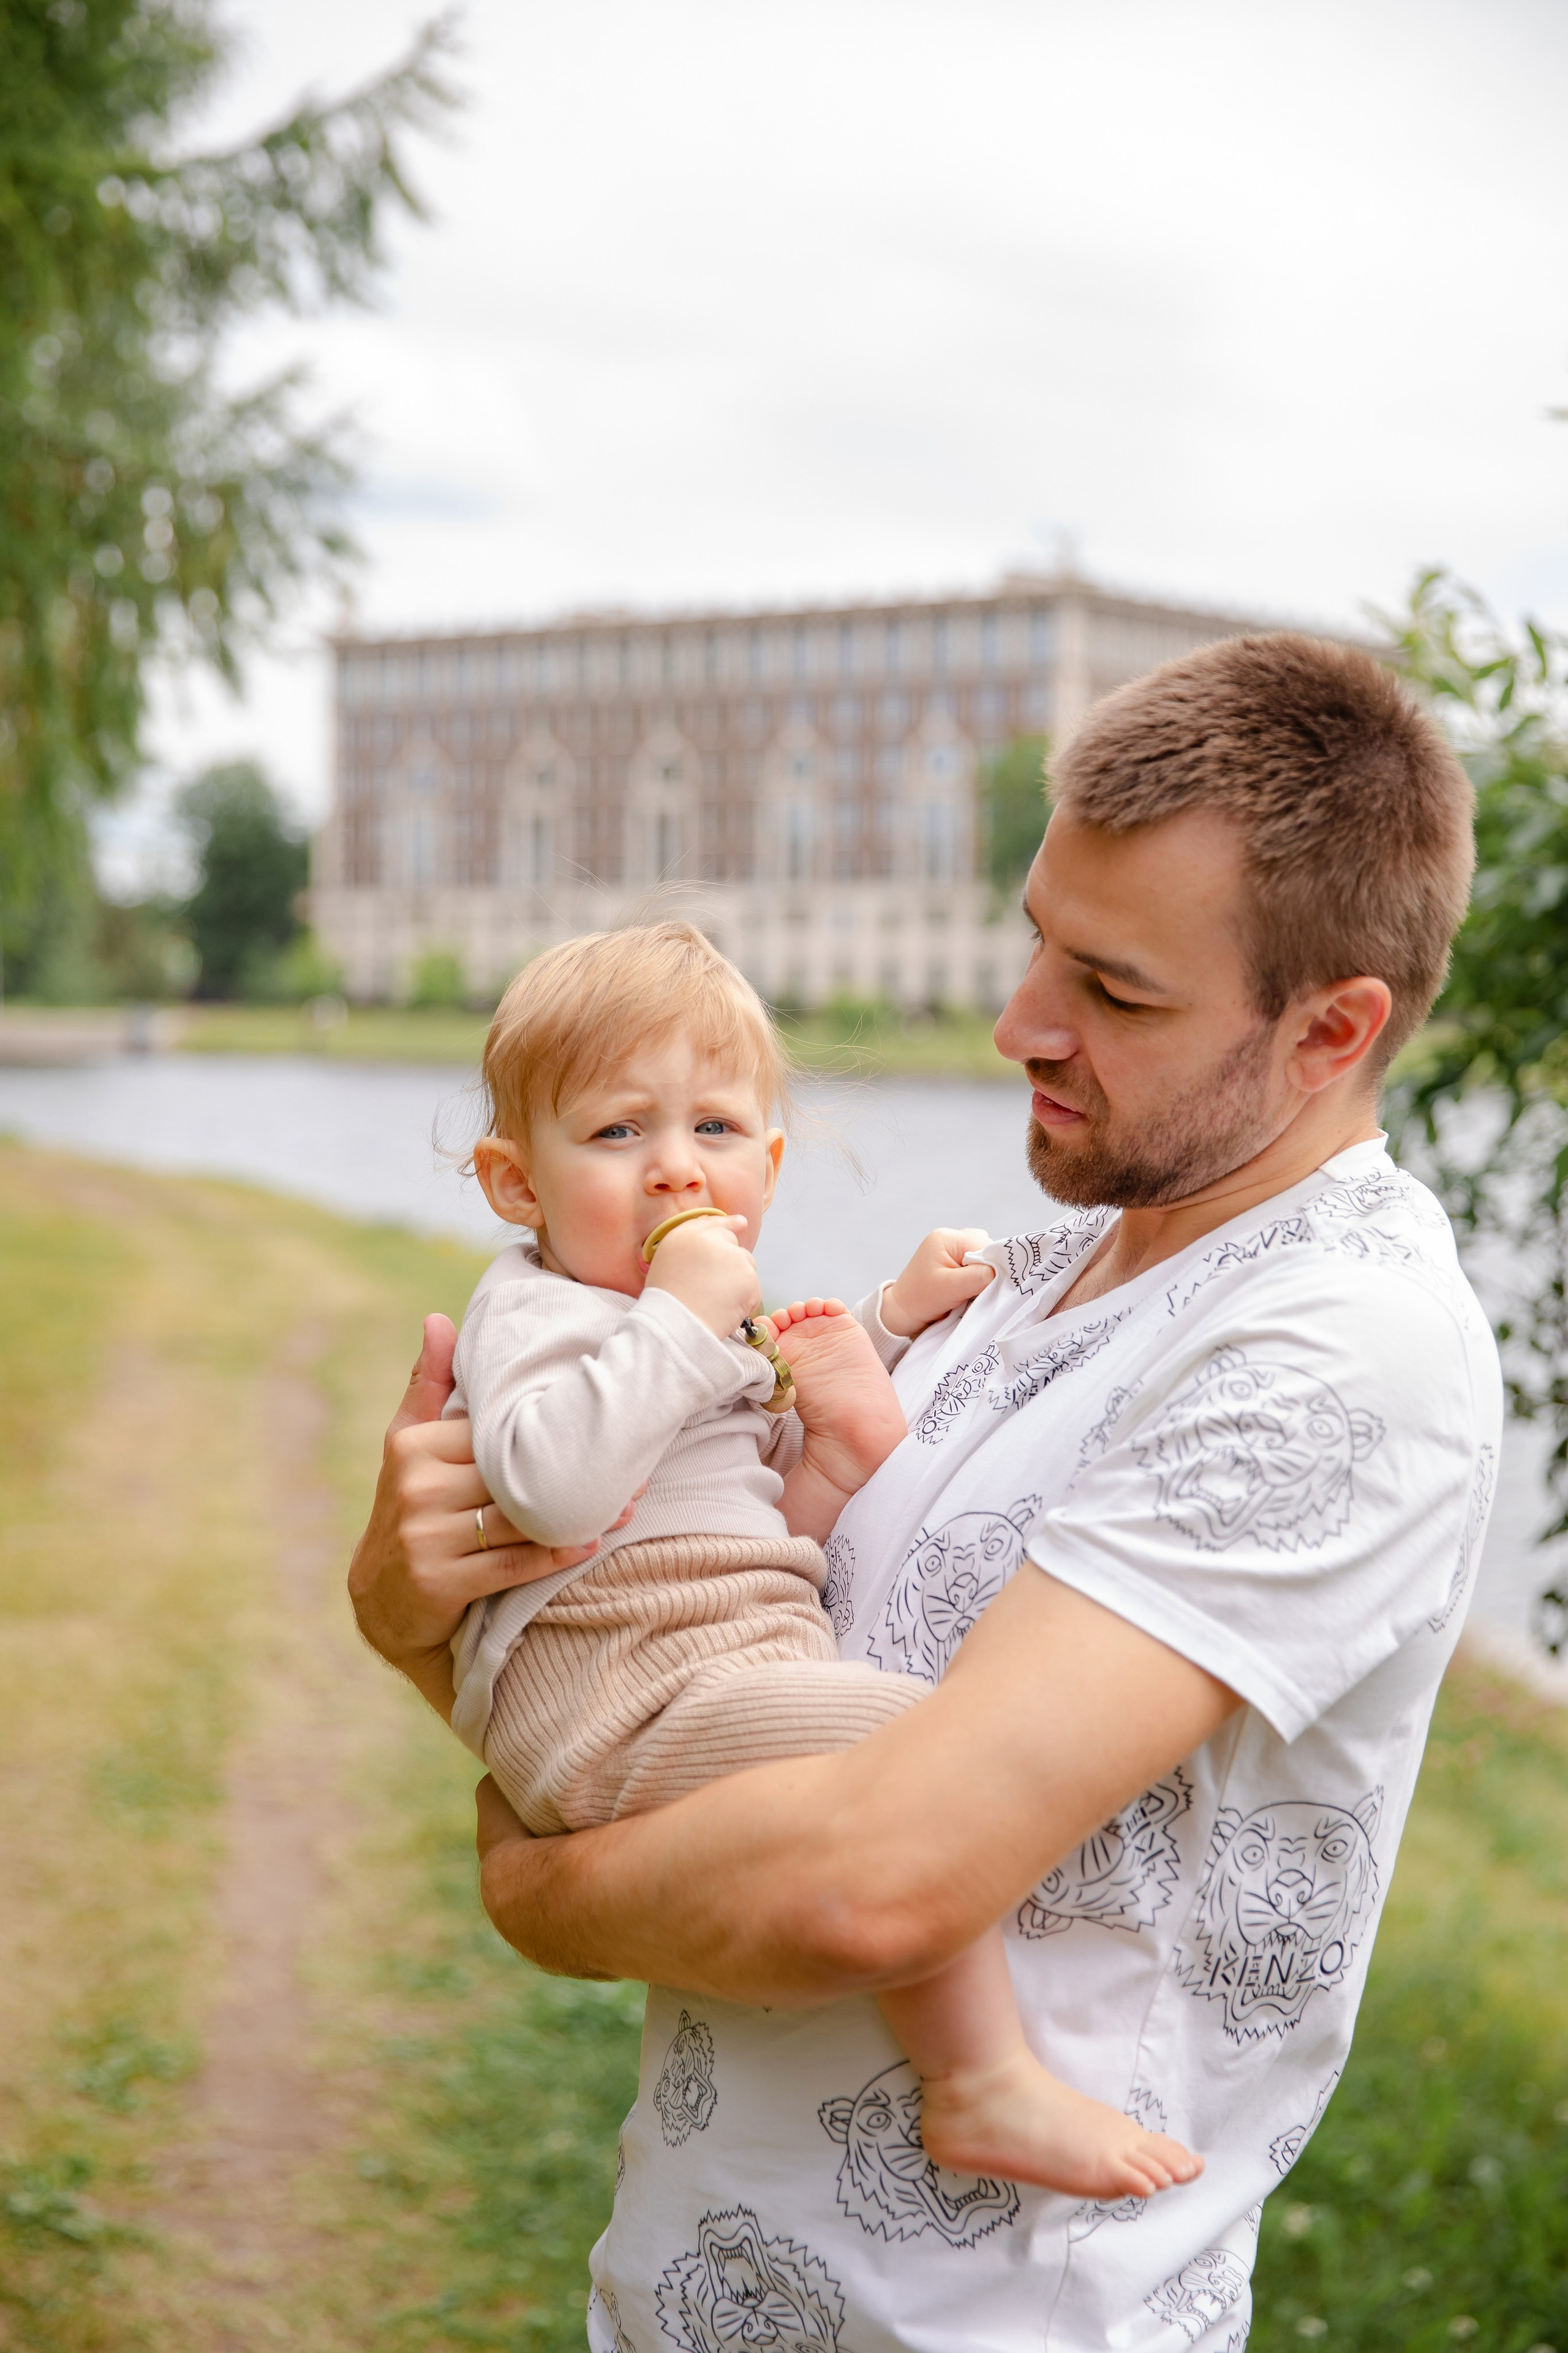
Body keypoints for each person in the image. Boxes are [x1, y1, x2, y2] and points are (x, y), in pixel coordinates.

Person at [351, 633, 1500, 2353]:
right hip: (684, 2284)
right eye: (1038, 936)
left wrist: (534, 1875)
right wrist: (402, 1595)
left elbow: (871, 1882)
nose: (1016, 1021)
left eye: (1113, 992)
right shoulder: (1022, 1288)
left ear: (1330, 1029)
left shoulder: (1340, 1347)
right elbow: (664, 1638)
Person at [446, 920, 1198, 2197]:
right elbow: (557, 1484)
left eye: (717, 1133)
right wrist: (686, 1311)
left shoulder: (679, 1324)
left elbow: (747, 1482)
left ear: (770, 1165)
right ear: (517, 1185)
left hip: (705, 1658)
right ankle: (976, 2082)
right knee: (914, 1751)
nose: (676, 1173)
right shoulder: (543, 1312)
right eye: (619, 1134)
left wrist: (882, 1326)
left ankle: (968, 2060)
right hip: (617, 1689)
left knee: (882, 1702)